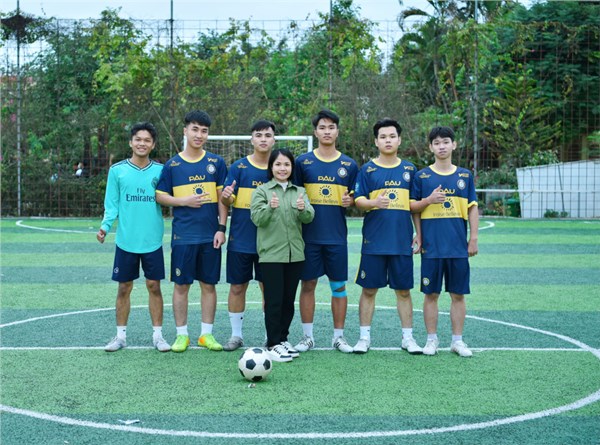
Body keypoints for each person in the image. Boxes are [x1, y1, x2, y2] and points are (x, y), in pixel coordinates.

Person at [156, 110, 228, 353]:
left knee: (209, 285)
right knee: (181, 285)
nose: (199, 135)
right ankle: (182, 335)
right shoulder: (172, 165)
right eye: (195, 129)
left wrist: (221, 228)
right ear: (185, 131)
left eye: (204, 131)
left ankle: (206, 334)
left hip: (210, 235)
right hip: (183, 236)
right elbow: (160, 196)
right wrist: (183, 201)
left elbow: (222, 199)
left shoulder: (216, 163)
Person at [97, 122, 170, 352]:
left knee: (154, 286)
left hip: (152, 240)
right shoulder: (117, 170)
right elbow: (112, 203)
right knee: (124, 287)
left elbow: (170, 198)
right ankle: (120, 337)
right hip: (126, 240)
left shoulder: (161, 171)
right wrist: (105, 226)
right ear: (131, 142)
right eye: (138, 139)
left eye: (147, 140)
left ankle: (158, 336)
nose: (142, 143)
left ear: (153, 145)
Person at [352, 118, 423, 355]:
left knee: (403, 291)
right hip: (374, 241)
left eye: (392, 136)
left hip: (401, 241)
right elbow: (358, 200)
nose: (388, 140)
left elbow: (414, 206)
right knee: (369, 290)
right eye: (383, 137)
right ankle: (364, 338)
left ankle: (408, 338)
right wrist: (374, 202)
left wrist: (419, 233)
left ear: (399, 140)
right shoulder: (367, 170)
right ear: (376, 141)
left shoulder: (410, 170)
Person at [293, 109, 359, 354]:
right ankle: (307, 337)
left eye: (331, 127)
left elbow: (357, 197)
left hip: (336, 237)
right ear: (315, 132)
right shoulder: (303, 162)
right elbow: (294, 196)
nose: (327, 131)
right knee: (308, 284)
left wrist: (352, 201)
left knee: (339, 286)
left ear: (338, 131)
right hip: (308, 237)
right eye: (322, 127)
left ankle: (338, 337)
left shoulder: (349, 165)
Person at [410, 126, 479, 357]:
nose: (441, 146)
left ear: (454, 145)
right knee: (431, 294)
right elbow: (413, 208)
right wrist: (420, 233)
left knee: (458, 294)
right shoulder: (422, 176)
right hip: (432, 248)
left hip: (458, 247)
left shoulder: (464, 176)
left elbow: (472, 208)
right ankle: (431, 340)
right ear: (430, 147)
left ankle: (457, 341)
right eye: (437, 143)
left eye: (446, 142)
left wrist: (473, 238)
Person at [250, 149, 314, 362]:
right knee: (274, 301)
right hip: (271, 255)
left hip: (295, 254)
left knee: (288, 301)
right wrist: (270, 207)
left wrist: (303, 209)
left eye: (286, 164)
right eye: (278, 164)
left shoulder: (300, 191)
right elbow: (257, 219)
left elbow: (309, 217)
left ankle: (283, 339)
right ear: (271, 167)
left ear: (292, 168)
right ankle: (272, 343)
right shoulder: (262, 191)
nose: (282, 168)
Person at [220, 120, 276, 351]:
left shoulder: (280, 167)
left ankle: (271, 336)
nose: (263, 139)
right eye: (259, 135)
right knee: (237, 287)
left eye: (268, 135)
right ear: (251, 139)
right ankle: (236, 335)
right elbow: (226, 199)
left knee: (269, 290)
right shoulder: (238, 167)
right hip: (241, 239)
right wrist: (226, 196)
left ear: (274, 140)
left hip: (271, 242)